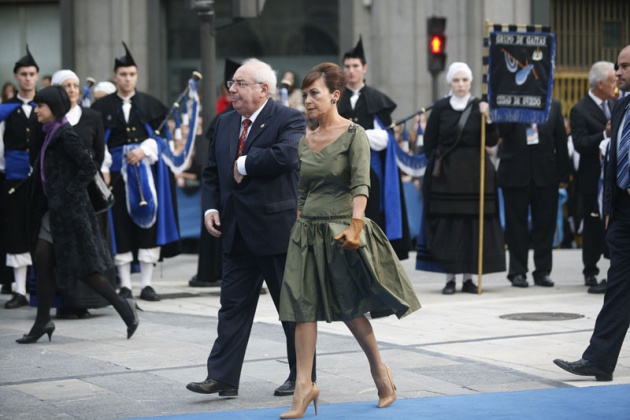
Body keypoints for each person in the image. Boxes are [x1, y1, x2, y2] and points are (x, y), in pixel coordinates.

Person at [278, 62, 421, 419]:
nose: (307, 100)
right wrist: (298, 223)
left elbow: (361, 183)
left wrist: (356, 225)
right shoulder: (304, 140)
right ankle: (304, 386)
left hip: (341, 231)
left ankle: (380, 372)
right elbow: (302, 190)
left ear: (335, 96)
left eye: (315, 94)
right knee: (301, 308)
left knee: (351, 309)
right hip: (306, 234)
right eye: (305, 94)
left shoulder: (355, 134)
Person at [186, 58, 309, 398]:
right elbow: (212, 171)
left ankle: (301, 377)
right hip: (235, 231)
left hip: (275, 231)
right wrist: (211, 207)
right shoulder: (225, 123)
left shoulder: (288, 118)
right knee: (232, 307)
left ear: (263, 89)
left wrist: (244, 162)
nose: (232, 89)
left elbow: (288, 156)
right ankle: (222, 376)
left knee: (291, 309)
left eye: (240, 83)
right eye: (232, 84)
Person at [16, 85, 138, 344]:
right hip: (54, 214)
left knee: (84, 270)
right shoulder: (50, 132)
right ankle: (42, 322)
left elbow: (88, 166)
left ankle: (124, 307)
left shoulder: (65, 134)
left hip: (70, 214)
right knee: (42, 261)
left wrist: (67, 194)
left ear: (54, 108)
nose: (36, 110)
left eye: (41, 106)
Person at [553, 44, 630, 382]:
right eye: (618, 66)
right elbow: (614, 157)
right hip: (625, 211)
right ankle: (599, 358)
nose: (619, 72)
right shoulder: (621, 106)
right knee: (619, 287)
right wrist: (610, 208)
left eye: (625, 66)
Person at [92, 42, 179, 302]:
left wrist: (145, 149)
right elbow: (97, 142)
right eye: (123, 75)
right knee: (120, 226)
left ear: (136, 76)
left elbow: (165, 140)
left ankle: (147, 285)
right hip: (116, 177)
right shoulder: (101, 108)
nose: (127, 79)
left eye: (132, 74)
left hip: (145, 177)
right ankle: (126, 285)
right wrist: (106, 167)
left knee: (148, 224)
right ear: (115, 76)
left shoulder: (151, 104)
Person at [416, 62, 505, 294]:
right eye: (457, 80)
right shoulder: (441, 108)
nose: (461, 84)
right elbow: (429, 143)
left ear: (471, 82)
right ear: (450, 83)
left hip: (477, 177)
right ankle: (450, 279)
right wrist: (440, 165)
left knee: (472, 227)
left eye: (465, 80)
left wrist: (489, 117)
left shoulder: (480, 107)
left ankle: (468, 278)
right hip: (447, 178)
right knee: (450, 227)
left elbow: (493, 140)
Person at [337, 36, 412, 261]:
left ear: (364, 68)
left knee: (373, 217)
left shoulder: (377, 99)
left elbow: (384, 139)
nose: (351, 71)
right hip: (341, 171)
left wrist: (353, 135)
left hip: (373, 172)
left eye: (355, 66)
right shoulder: (335, 99)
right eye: (347, 67)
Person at [51, 69, 116, 318]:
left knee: (90, 245)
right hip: (59, 193)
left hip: (86, 191)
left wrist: (83, 180)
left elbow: (98, 155)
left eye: (75, 85)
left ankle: (91, 300)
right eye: (66, 86)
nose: (72, 90)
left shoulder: (92, 116)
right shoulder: (52, 118)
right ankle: (67, 301)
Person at [497, 100, 570, 288]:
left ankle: (543, 271)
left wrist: (563, 174)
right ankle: (517, 271)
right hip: (515, 173)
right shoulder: (508, 103)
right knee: (516, 226)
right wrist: (513, 110)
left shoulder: (553, 105)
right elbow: (501, 131)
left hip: (545, 174)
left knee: (545, 225)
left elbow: (560, 140)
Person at [1, 45, 43, 309]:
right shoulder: (5, 109)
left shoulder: (47, 106)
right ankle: (19, 289)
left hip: (41, 179)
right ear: (16, 77)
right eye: (23, 74)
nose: (28, 78)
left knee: (40, 232)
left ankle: (42, 285)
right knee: (15, 230)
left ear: (37, 76)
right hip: (13, 179)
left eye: (32, 74)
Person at [570, 61, 617, 293]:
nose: (615, 86)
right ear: (599, 84)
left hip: (614, 179)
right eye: (611, 82)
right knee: (592, 226)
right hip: (592, 180)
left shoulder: (617, 104)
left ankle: (613, 270)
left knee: (613, 225)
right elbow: (580, 144)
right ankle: (590, 270)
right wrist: (603, 134)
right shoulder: (580, 110)